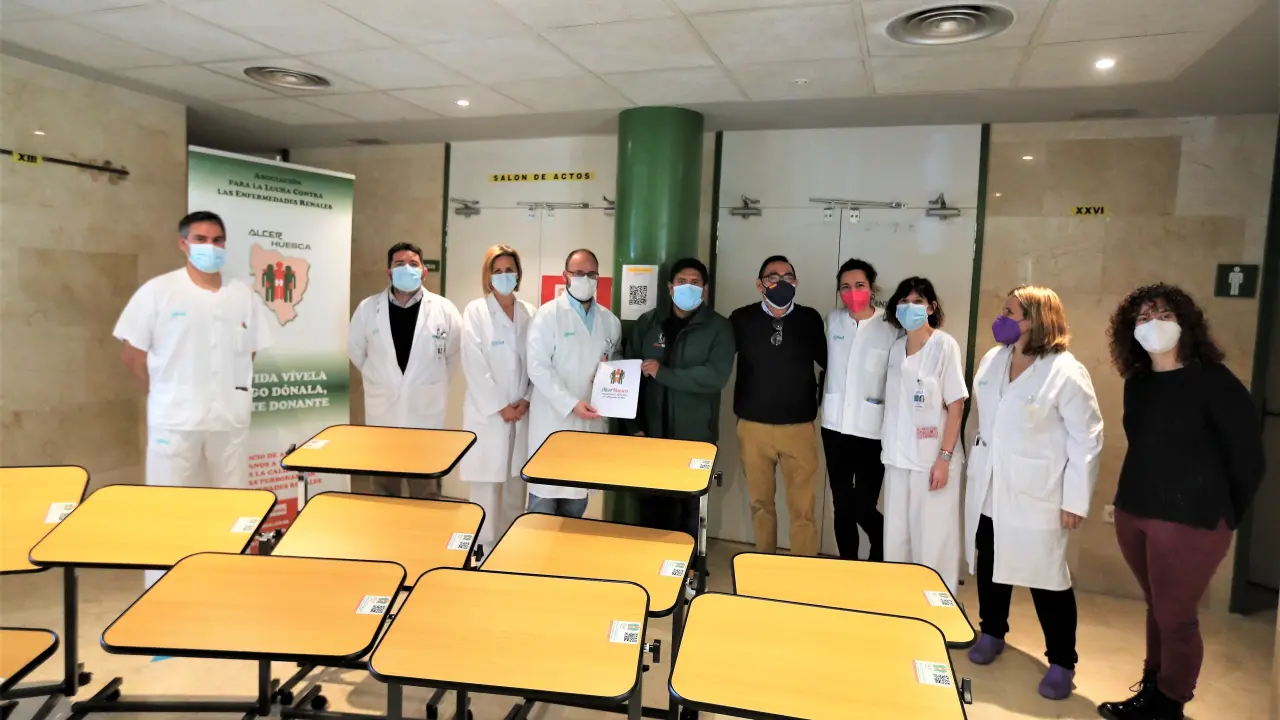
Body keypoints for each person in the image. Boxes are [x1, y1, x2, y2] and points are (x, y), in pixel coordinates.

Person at [1097, 284, 1264, 720]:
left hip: (1193, 519)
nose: (1153, 324)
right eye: (1143, 318)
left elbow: (1248, 459)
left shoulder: (1215, 383)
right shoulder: (1139, 384)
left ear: (1185, 324)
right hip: (1136, 510)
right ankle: (1151, 690)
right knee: (1157, 607)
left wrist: (1224, 516)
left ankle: (1170, 703)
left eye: (1163, 315)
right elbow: (1142, 445)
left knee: (1176, 616)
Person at [114, 211, 274, 587]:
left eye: (217, 240)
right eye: (201, 240)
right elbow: (132, 356)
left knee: (232, 507)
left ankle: (225, 583)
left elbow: (249, 352)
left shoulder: (243, 295)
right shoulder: (159, 291)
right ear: (182, 243)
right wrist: (167, 392)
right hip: (175, 422)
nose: (210, 247)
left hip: (228, 421)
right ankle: (162, 587)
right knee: (170, 508)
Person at [964, 285, 1104, 700]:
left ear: (1035, 320)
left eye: (1010, 312)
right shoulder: (994, 359)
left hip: (1038, 492)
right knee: (991, 563)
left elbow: (1088, 438)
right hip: (991, 483)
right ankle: (992, 631)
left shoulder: (1065, 371)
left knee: (1047, 577)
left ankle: (1062, 662)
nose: (1001, 318)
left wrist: (1075, 499)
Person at [626, 258, 736, 539]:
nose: (688, 287)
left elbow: (714, 377)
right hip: (651, 436)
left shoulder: (719, 327)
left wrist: (663, 373)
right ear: (670, 287)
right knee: (651, 511)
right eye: (682, 281)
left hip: (695, 437)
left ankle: (687, 564)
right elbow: (629, 376)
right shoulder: (649, 323)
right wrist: (633, 427)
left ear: (705, 289)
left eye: (695, 282)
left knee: (690, 513)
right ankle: (651, 563)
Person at [348, 242, 462, 499]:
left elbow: (454, 355)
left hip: (425, 412)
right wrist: (383, 379)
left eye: (413, 264)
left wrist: (428, 383)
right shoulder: (368, 309)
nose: (406, 268)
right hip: (383, 411)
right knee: (383, 488)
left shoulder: (444, 309)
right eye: (399, 264)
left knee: (425, 488)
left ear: (424, 271)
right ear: (389, 272)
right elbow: (356, 351)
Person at [729, 255, 826, 556]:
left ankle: (803, 567)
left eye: (787, 277)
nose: (781, 282)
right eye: (773, 277)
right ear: (760, 285)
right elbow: (718, 358)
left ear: (796, 282)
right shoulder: (741, 319)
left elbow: (830, 363)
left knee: (803, 508)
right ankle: (763, 564)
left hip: (799, 428)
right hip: (753, 427)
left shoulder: (810, 319)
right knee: (760, 504)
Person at [880, 277, 966, 592]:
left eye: (917, 302)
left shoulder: (944, 346)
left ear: (931, 308)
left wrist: (944, 458)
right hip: (898, 460)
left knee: (933, 542)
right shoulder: (895, 349)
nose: (910, 307)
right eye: (904, 302)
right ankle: (901, 602)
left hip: (932, 462)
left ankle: (938, 606)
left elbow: (956, 406)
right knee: (897, 540)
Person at [525, 248, 622, 517]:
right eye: (578, 273)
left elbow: (616, 364)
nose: (585, 279)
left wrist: (610, 376)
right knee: (543, 507)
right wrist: (570, 403)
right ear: (565, 275)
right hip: (553, 422)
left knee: (576, 505)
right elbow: (537, 367)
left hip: (591, 420)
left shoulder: (610, 321)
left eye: (591, 274)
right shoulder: (548, 315)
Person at [821, 258, 899, 561]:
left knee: (864, 506)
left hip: (872, 431)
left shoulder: (890, 327)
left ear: (871, 287)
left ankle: (878, 558)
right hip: (835, 428)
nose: (852, 292)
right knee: (841, 505)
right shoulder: (833, 321)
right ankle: (848, 566)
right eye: (845, 287)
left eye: (859, 285)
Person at [460, 245, 534, 552]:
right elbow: (473, 363)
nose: (504, 276)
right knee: (485, 487)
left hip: (522, 411)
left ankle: (510, 550)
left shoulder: (530, 312)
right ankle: (481, 548)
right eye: (498, 271)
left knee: (517, 485)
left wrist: (526, 398)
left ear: (518, 275)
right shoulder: (476, 311)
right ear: (488, 276)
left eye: (509, 270)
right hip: (489, 414)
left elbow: (537, 361)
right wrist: (500, 406)